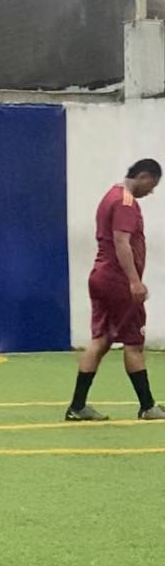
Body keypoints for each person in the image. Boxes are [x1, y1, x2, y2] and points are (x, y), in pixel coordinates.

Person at [66, 158, 165, 421]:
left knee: (100, 341)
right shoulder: (125, 203)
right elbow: (122, 242)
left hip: (100, 276)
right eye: (152, 185)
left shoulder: (111, 194)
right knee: (134, 343)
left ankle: (77, 406)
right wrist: (134, 281)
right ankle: (147, 406)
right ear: (144, 177)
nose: (151, 192)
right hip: (117, 281)